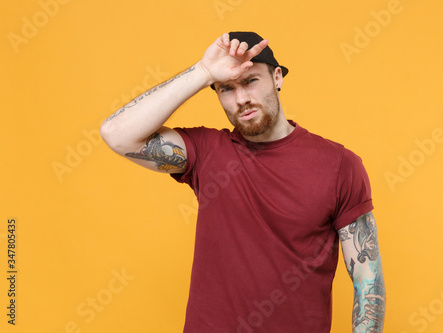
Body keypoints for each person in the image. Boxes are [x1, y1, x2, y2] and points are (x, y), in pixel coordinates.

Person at [101, 31, 386, 333]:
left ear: (277, 77)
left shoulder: (339, 165)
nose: (241, 99)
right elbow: (117, 134)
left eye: (251, 81)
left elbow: (368, 282)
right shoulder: (208, 152)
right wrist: (204, 72)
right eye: (226, 89)